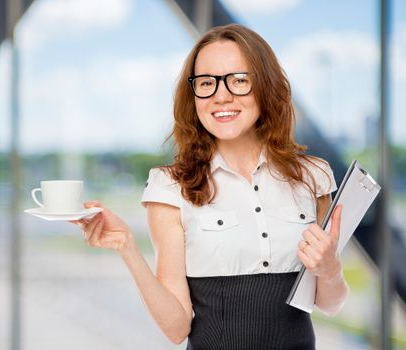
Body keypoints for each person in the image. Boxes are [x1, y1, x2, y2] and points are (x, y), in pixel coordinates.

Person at [74, 23, 349, 349]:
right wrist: (128, 249)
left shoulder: (312, 177)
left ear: (265, 86)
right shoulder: (170, 187)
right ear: (193, 95)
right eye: (206, 82)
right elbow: (177, 329)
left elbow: (330, 304)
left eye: (239, 80)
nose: (221, 95)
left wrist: (330, 269)